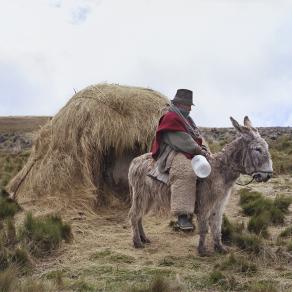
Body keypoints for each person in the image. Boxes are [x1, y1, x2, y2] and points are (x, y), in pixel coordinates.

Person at [149, 89, 210, 231]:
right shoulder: (170, 117)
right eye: (187, 105)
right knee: (185, 171)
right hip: (173, 151)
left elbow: (194, 137)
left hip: (190, 150)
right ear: (179, 104)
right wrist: (198, 150)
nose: (189, 109)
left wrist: (203, 150)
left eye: (190, 106)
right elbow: (181, 141)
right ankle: (182, 216)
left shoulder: (187, 120)